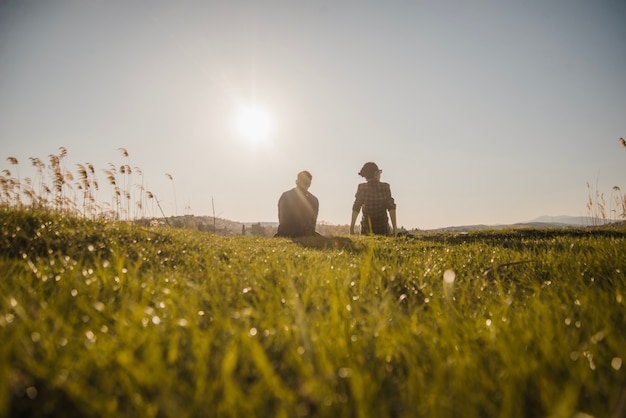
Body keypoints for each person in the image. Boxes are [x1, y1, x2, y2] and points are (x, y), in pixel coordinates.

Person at [350, 162, 397, 236]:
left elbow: (356, 208)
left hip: (366, 231)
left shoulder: (362, 188)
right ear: (375, 173)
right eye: (379, 172)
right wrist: (395, 229)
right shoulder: (385, 187)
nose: (380, 175)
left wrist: (351, 229)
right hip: (383, 230)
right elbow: (391, 208)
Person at [275, 170, 319, 237]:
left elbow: (282, 219)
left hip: (290, 233)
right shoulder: (286, 196)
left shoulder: (286, 195)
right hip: (292, 233)